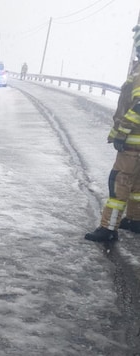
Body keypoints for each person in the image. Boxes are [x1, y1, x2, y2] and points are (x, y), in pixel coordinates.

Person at [85, 24, 140, 242]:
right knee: (137, 185)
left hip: (132, 144)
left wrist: (122, 132)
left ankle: (108, 228)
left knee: (119, 183)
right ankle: (135, 220)